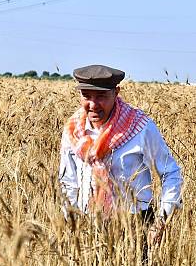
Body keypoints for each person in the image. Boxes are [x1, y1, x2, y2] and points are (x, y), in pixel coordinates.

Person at [58, 64, 183, 246]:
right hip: (87, 225)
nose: (93, 105)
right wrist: (70, 220)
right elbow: (67, 181)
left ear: (116, 92)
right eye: (86, 96)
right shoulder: (72, 131)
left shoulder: (140, 127)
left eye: (101, 96)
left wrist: (161, 220)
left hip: (135, 225)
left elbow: (171, 173)